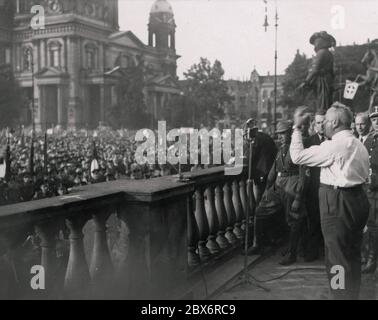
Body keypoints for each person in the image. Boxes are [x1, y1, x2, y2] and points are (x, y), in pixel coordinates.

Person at [290, 103, 370, 300]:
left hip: (337, 202)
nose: (323, 124)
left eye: (325, 120)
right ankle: (350, 295)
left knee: (336, 258)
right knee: (351, 255)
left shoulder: (334, 145)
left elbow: (297, 156)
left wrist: (297, 129)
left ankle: (339, 296)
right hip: (358, 199)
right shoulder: (359, 144)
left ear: (335, 122)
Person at [248, 120, 308, 266]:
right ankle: (258, 244)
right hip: (278, 186)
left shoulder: (298, 149)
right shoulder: (280, 149)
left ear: (291, 134)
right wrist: (267, 190)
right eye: (279, 134)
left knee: (293, 219)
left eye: (284, 134)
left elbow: (303, 175)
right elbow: (273, 171)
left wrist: (298, 198)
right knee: (260, 211)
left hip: (292, 186)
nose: (281, 137)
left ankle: (292, 253)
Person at [303, 110, 326, 262]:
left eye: (324, 122)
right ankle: (313, 250)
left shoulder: (334, 141)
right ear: (314, 124)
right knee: (313, 218)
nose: (321, 125)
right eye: (318, 122)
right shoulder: (309, 142)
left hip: (329, 186)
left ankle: (327, 250)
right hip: (313, 186)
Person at [299, 31, 336, 112]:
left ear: (320, 42)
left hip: (322, 81)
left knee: (322, 104)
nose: (315, 44)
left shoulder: (321, 53)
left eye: (315, 42)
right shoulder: (328, 53)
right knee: (326, 102)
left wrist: (306, 82)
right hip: (328, 79)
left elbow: (314, 70)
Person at [361, 105, 378, 273]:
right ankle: (372, 259)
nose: (377, 122)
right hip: (371, 191)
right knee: (371, 225)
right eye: (373, 119)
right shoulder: (369, 140)